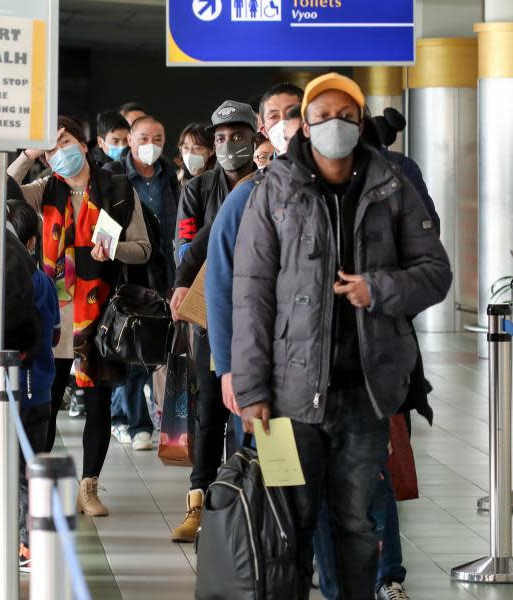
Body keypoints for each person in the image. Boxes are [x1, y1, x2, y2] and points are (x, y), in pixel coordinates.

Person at [232, 73, 452, 599]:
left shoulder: (391, 186)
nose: (336, 125)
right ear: (304, 126)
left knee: (356, 521)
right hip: (290, 395)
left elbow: (435, 271)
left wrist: (378, 289)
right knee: (293, 524)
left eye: (347, 116)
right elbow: (251, 293)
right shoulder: (274, 190)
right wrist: (251, 390)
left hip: (365, 392)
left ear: (361, 122)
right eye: (323, 115)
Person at [8, 116, 151, 516]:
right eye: (50, 147)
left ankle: (88, 487)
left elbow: (143, 248)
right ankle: (35, 486)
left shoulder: (118, 189)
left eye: (65, 141)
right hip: (53, 316)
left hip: (100, 314)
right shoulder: (42, 190)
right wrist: (29, 154)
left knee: (98, 401)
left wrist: (116, 249)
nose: (59, 152)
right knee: (46, 403)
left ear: (84, 145)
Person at [169, 100, 259, 543]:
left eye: (238, 137)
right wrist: (183, 283)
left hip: (263, 317)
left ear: (255, 138)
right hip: (213, 316)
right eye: (220, 138)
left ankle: (249, 503)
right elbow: (189, 246)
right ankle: (197, 501)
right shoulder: (200, 189)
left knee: (256, 414)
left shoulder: (272, 182)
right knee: (209, 411)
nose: (228, 145)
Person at [107, 114, 178, 452]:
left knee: (150, 347)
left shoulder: (169, 178)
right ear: (130, 140)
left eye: (159, 138)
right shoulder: (113, 176)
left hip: (162, 273)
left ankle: (135, 419)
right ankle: (130, 421)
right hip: (126, 273)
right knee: (127, 347)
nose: (152, 145)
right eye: (144, 138)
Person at [3, 198, 59, 571]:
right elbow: (53, 335)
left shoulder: (33, 282)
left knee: (25, 471)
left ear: (30, 244)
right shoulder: (40, 282)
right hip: (31, 388)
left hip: (27, 389)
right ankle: (21, 540)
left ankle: (29, 545)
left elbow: (47, 336)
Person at [259, 82, 305, 156]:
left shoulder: (327, 166)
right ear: (264, 131)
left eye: (292, 113)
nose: (283, 122)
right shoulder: (267, 168)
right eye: (273, 116)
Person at [175, 121, 216, 187]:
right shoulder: (173, 181)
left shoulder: (219, 181)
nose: (190, 153)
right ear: (180, 149)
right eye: (186, 147)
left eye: (197, 148)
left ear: (211, 151)